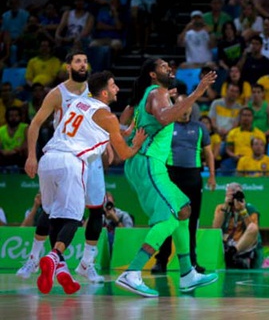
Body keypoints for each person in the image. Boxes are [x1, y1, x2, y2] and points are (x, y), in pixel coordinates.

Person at [36, 71, 147, 295]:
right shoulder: (107, 117)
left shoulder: (79, 101)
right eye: (114, 86)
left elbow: (96, 127)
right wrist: (135, 143)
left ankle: (61, 270)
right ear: (104, 92)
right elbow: (123, 153)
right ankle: (53, 256)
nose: (117, 89)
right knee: (74, 218)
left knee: (53, 214)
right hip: (71, 162)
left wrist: (123, 129)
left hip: (47, 159)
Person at [116, 59, 218, 298]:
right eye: (163, 67)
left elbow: (136, 117)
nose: (169, 69)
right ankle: (132, 272)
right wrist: (196, 93)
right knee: (170, 217)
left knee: (183, 209)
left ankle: (187, 273)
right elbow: (163, 118)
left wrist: (171, 97)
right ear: (153, 74)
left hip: (149, 163)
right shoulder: (157, 92)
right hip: (148, 161)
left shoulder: (152, 94)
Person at [19, 50, 107, 284]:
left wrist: (108, 145)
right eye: (77, 61)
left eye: (85, 61)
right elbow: (35, 123)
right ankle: (37, 258)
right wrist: (31, 155)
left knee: (97, 208)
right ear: (68, 66)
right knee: (51, 211)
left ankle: (87, 264)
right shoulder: (57, 93)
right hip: (66, 156)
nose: (82, 65)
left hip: (90, 157)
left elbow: (103, 120)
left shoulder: (94, 91)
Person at [152, 95, 217, 273]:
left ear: (192, 107)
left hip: (193, 178)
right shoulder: (167, 127)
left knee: (191, 221)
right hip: (172, 177)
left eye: (188, 105)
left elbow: (209, 154)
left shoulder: (200, 128)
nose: (185, 108)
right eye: (181, 104)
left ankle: (192, 262)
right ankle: (161, 261)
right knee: (168, 219)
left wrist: (212, 176)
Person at [212, 182, 262, 269]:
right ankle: (230, 256)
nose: (235, 196)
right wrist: (225, 206)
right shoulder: (221, 208)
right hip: (225, 243)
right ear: (226, 194)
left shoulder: (250, 209)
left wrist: (243, 210)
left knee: (253, 227)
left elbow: (253, 233)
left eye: (238, 192)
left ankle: (232, 253)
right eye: (232, 192)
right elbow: (215, 229)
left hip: (242, 245)